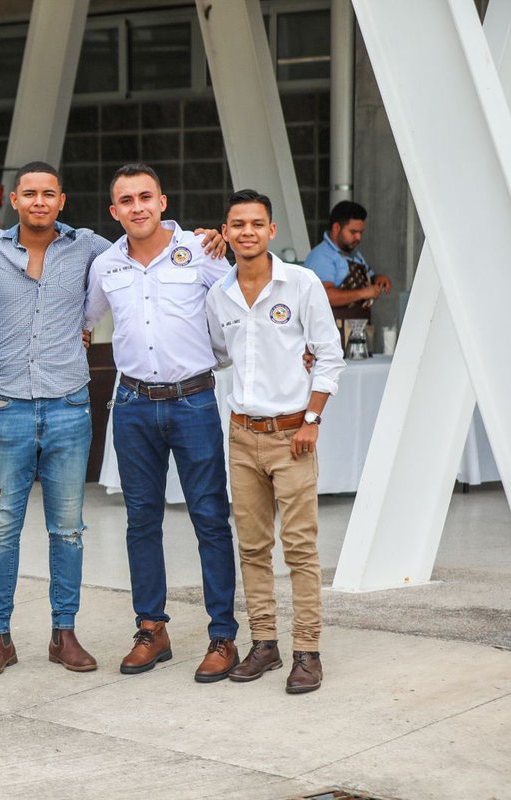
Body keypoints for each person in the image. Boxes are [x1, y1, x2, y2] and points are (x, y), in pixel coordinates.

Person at [0, 164, 228, 679]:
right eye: (28, 193)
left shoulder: (94, 247)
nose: (37, 201)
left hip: (69, 406)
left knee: (68, 529)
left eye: (47, 194)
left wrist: (205, 237)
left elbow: (149, 243)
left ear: (62, 200)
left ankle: (64, 633)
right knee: (2, 530)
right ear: (14, 199)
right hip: (7, 406)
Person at [84, 163, 240, 682]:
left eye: (145, 197)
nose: (137, 207)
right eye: (126, 201)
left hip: (193, 402)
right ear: (114, 211)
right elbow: (83, 322)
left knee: (210, 519)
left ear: (163, 201)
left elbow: (250, 302)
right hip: (131, 405)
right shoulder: (106, 264)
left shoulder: (203, 252)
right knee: (141, 522)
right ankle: (152, 628)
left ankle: (223, 635)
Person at [206, 190, 343, 694]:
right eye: (237, 224)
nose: (246, 232)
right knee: (253, 546)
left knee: (300, 548)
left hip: (293, 436)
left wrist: (311, 420)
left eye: (256, 224)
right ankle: (264, 642)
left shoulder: (302, 284)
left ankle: (308, 651)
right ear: (226, 231)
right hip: (242, 435)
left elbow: (329, 355)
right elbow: (221, 354)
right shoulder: (218, 293)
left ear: (271, 231)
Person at [303, 200, 392, 323]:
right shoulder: (321, 256)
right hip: (331, 333)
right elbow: (324, 296)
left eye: (361, 232)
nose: (358, 237)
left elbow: (369, 276)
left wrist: (377, 278)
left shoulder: (355, 254)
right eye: (353, 232)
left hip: (357, 330)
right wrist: (363, 293)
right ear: (336, 228)